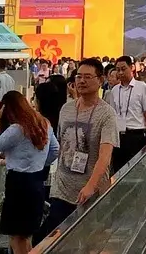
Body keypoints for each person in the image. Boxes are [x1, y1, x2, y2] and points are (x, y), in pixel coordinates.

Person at [33, 58, 119, 246]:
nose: (81, 81)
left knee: (90, 241)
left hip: (91, 190)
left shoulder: (107, 114)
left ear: (100, 80)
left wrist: (91, 185)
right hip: (62, 188)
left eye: (88, 77)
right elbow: (61, 145)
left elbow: (105, 155)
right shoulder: (66, 108)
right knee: (57, 241)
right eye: (79, 76)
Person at [0, 91, 60, 254]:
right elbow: (55, 150)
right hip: (36, 182)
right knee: (27, 235)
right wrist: (40, 163)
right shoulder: (44, 123)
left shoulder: (17, 129)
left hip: (18, 185)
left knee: (16, 236)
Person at [105, 55, 146, 173]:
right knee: (117, 171)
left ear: (131, 68)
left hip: (136, 136)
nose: (120, 72)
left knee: (135, 172)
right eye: (118, 69)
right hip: (118, 137)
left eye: (123, 69)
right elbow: (113, 115)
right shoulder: (115, 90)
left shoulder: (142, 87)